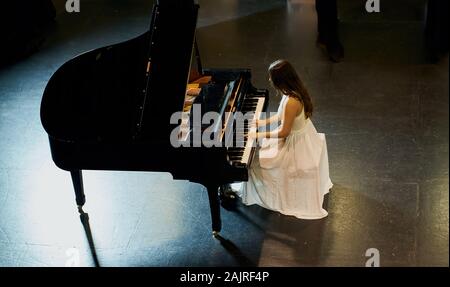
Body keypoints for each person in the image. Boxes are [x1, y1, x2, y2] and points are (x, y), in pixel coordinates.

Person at [232, 59, 333, 219]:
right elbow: (281, 116)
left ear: (280, 80)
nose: (269, 80)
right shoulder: (293, 92)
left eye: (272, 77)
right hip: (301, 136)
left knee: (256, 165)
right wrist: (261, 122)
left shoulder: (291, 102)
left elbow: (284, 132)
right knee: (260, 156)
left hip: (295, 145)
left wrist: (257, 134)